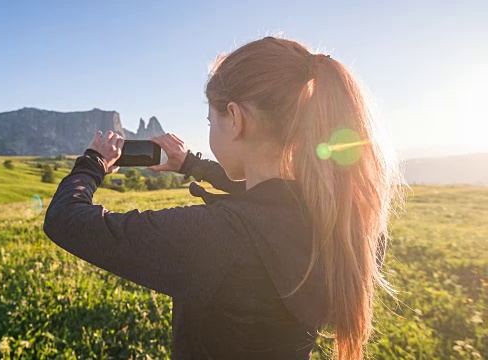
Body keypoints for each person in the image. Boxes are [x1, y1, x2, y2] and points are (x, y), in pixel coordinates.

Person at [43, 36, 403, 360]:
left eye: (210, 120)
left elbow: (66, 219)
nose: (211, 130)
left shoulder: (218, 236)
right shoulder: (338, 214)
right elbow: (266, 199)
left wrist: (93, 163)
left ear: (234, 118)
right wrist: (193, 165)